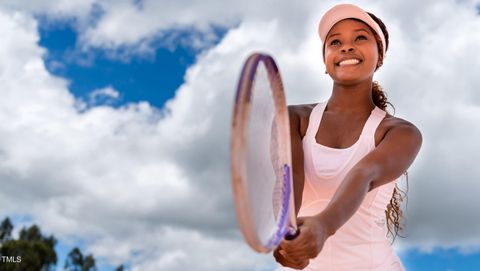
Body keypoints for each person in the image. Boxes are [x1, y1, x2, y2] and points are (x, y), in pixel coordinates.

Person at [273, 4, 422, 271]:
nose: (347, 47)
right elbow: (290, 178)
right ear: (326, 60)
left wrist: (323, 226)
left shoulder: (401, 133)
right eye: (335, 41)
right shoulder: (292, 118)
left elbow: (364, 175)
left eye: (360, 38)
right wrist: (286, 231)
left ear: (380, 56)